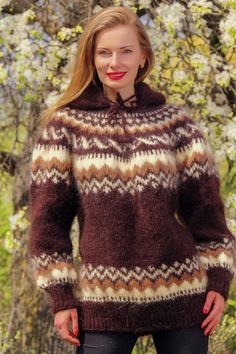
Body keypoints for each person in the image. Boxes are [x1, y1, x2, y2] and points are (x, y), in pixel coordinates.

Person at [28, 5, 236, 354]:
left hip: (182, 293)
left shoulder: (176, 124)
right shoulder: (65, 127)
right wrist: (61, 296)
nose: (115, 63)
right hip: (101, 298)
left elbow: (207, 213)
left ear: (143, 57)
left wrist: (218, 279)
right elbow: (47, 222)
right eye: (104, 52)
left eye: (126, 51)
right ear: (91, 58)